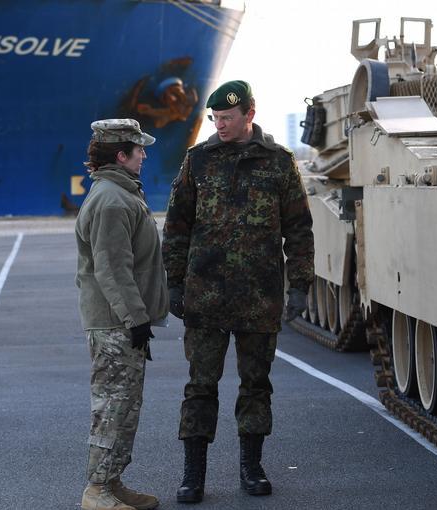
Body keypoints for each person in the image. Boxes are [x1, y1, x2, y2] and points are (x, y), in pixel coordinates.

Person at [162, 80, 314, 503]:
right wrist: (175, 281)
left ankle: (252, 468)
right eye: (215, 118)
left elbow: (299, 229)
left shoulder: (279, 163)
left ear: (250, 113)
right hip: (205, 297)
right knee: (200, 386)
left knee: (256, 385)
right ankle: (193, 475)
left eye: (227, 118)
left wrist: (299, 284)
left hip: (259, 297)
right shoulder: (198, 162)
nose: (220, 125)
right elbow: (176, 227)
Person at [75, 118, 169, 510]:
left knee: (124, 406)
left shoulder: (119, 193)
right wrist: (135, 319)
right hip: (117, 322)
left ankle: (111, 484)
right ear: (121, 155)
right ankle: (97, 491)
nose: (144, 155)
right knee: (113, 407)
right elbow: (112, 267)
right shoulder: (113, 200)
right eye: (139, 149)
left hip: (120, 320)